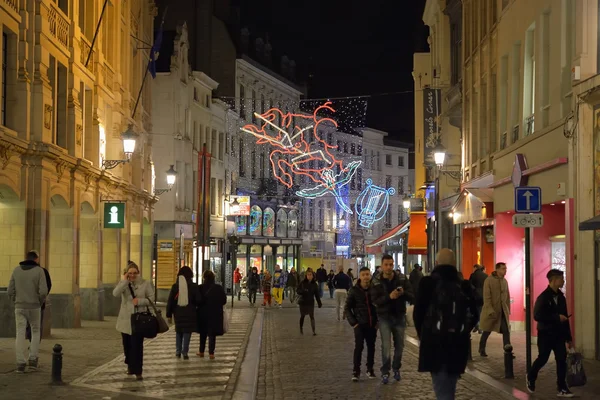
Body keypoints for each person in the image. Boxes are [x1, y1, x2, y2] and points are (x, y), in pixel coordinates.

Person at [413, 249, 478, 400]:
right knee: (450, 387)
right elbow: (474, 314)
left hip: (434, 343)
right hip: (457, 345)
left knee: (443, 391)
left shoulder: (427, 283)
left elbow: (418, 314)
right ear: (455, 263)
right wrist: (462, 331)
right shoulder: (463, 285)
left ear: (436, 263)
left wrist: (423, 335)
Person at [526, 269, 574, 397]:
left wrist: (569, 338)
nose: (563, 281)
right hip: (546, 334)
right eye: (561, 278)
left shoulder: (561, 297)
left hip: (559, 335)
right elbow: (537, 315)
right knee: (543, 358)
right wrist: (556, 317)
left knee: (561, 360)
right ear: (553, 280)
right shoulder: (543, 297)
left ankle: (562, 388)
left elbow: (565, 319)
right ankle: (531, 376)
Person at [370, 253, 414, 384]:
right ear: (382, 266)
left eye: (391, 264)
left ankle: (396, 368)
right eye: (386, 265)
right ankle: (385, 371)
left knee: (400, 346)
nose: (389, 267)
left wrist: (403, 293)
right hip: (384, 317)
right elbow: (375, 300)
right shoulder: (376, 281)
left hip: (399, 316)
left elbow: (412, 296)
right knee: (386, 346)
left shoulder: (401, 278)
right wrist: (390, 297)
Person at [8, 251, 49, 373]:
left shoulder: (16, 270)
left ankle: (20, 363)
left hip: (19, 307)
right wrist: (39, 302)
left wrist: (16, 301)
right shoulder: (39, 271)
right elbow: (43, 291)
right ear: (35, 260)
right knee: (35, 332)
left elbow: (10, 290)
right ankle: (33, 361)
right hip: (34, 306)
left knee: (20, 333)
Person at [113, 262, 154, 380]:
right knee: (127, 345)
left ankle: (138, 370)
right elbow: (115, 293)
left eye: (135, 273)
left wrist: (140, 301)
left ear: (138, 273)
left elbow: (151, 299)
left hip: (138, 319)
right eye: (130, 273)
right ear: (126, 274)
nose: (132, 275)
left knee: (137, 346)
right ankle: (130, 366)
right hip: (125, 320)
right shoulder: (124, 284)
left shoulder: (145, 284)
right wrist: (124, 281)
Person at [346, 267, 378, 381]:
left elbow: (378, 306)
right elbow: (347, 308)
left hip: (372, 325)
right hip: (359, 324)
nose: (366, 277)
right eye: (363, 274)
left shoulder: (374, 289)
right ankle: (356, 371)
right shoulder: (354, 290)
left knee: (371, 347)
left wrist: (377, 322)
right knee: (359, 347)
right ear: (360, 276)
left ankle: (370, 369)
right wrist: (354, 323)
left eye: (368, 274)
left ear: (370, 276)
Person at [478, 262, 511, 357]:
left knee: (506, 330)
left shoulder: (505, 281)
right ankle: (481, 348)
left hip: (502, 311)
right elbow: (487, 297)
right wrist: (490, 310)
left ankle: (507, 349)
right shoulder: (489, 280)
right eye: (503, 268)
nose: (505, 270)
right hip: (491, 311)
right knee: (487, 330)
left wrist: (508, 309)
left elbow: (507, 297)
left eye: (506, 268)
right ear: (497, 269)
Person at [166, 266, 198, 360]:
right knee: (187, 331)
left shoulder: (175, 286)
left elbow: (170, 301)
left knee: (179, 331)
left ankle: (178, 351)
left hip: (178, 313)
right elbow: (198, 300)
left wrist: (169, 314)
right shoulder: (194, 286)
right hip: (190, 312)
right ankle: (185, 352)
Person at [196, 270, 227, 359]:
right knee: (212, 334)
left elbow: (197, 300)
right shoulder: (219, 288)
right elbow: (224, 300)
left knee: (203, 333)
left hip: (203, 313)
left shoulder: (200, 288)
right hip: (215, 314)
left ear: (204, 278)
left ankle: (201, 351)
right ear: (213, 278)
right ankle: (211, 353)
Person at [23, 251, 51, 344]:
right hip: (38, 303)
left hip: (25, 302)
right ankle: (34, 343)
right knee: (37, 325)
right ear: (36, 259)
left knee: (28, 323)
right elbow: (48, 285)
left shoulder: (22, 271)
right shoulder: (43, 271)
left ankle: (30, 339)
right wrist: (42, 298)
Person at [297, 269, 322, 335]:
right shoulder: (302, 283)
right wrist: (302, 291)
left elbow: (317, 295)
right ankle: (301, 328)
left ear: (313, 276)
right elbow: (297, 290)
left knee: (312, 316)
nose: (309, 276)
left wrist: (319, 303)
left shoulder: (315, 284)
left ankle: (313, 331)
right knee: (302, 316)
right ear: (306, 275)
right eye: (308, 275)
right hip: (303, 302)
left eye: (310, 275)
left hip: (310, 302)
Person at [469, 264, 487, 334]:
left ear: (475, 268)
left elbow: (470, 285)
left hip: (475, 295)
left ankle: (478, 326)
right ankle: (478, 326)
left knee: (475, 311)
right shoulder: (485, 276)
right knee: (481, 311)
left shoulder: (473, 275)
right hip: (483, 295)